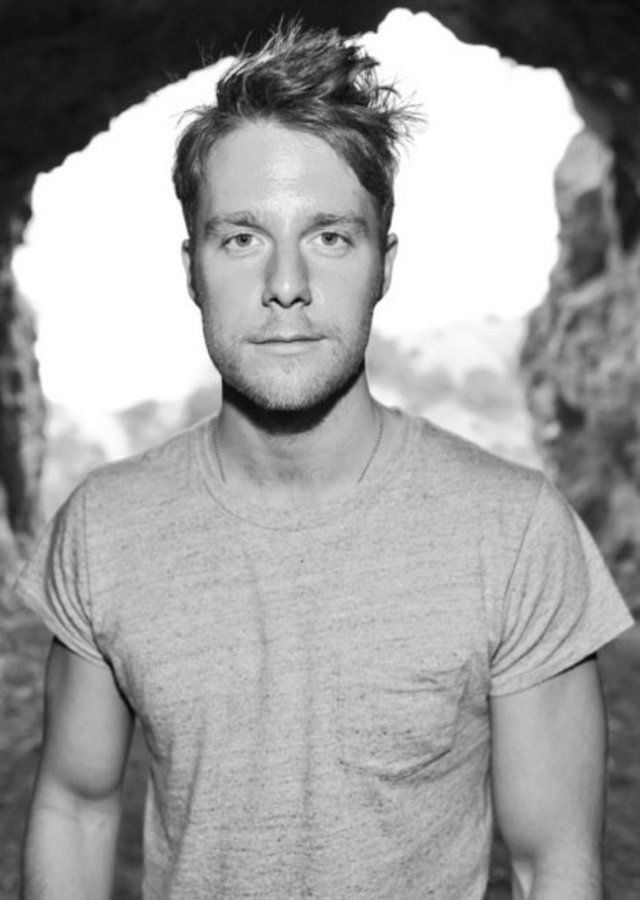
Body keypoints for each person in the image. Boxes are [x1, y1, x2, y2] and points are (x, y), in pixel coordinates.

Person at [16, 21, 633, 900]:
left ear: (385, 263)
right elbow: (75, 807)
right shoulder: (105, 527)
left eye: (331, 237)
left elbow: (555, 865)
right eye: (241, 238)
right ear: (191, 268)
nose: (286, 285)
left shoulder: (516, 532)